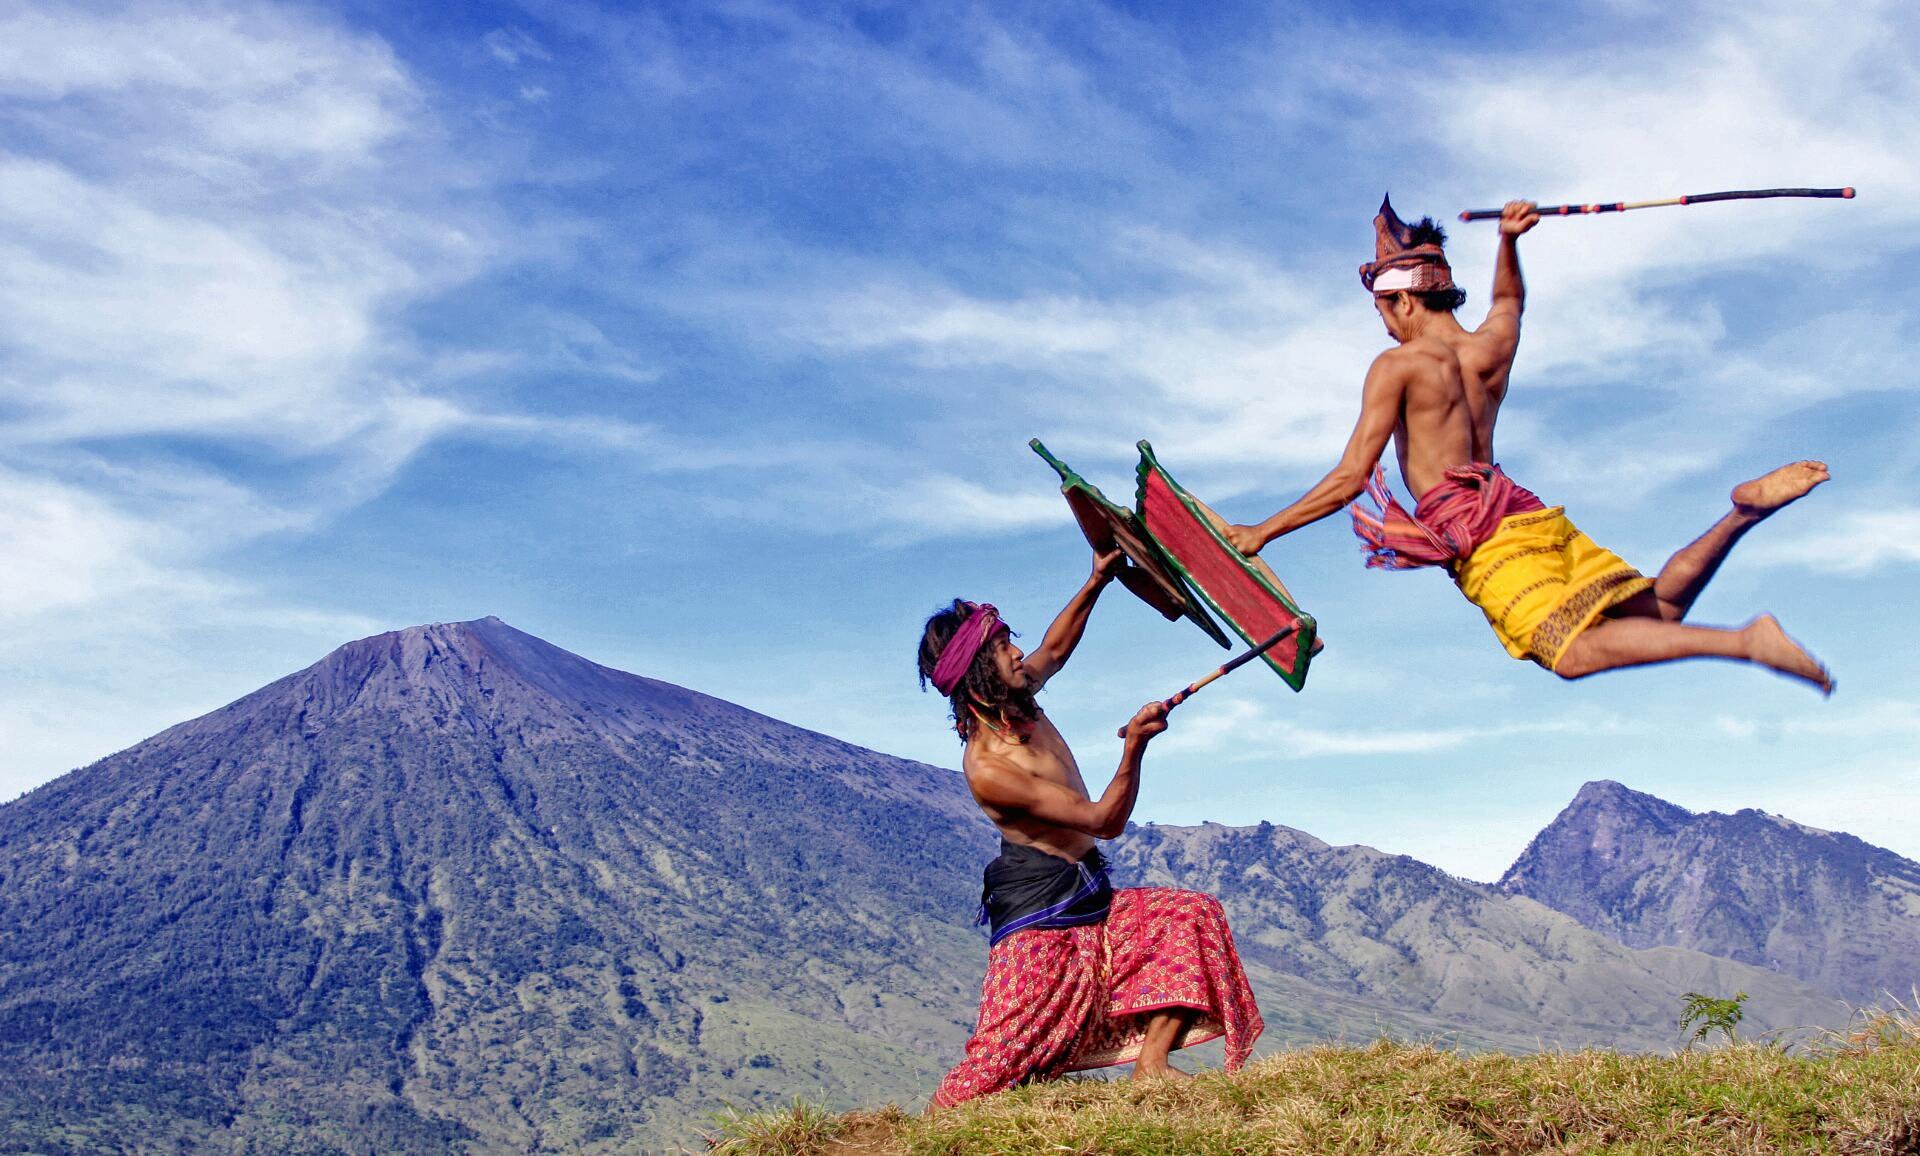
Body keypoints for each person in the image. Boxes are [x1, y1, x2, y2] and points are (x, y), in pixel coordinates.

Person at [1224, 196, 1831, 692]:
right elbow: (1510, 300)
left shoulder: (1399, 365)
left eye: (1384, 311)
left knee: (1567, 654)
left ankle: (1746, 641)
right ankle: (1741, 515)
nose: (1384, 325)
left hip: (1481, 532)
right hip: (1523, 508)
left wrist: (1260, 533)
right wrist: (1508, 240)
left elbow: (1352, 475)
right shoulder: (1490, 347)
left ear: (1403, 298)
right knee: (1657, 616)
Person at [916, 550, 1263, 1109]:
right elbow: (1105, 821)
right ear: (979, 667)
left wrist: (1098, 578)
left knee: (1189, 916)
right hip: (1042, 923)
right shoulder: (990, 769)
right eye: (1003, 646)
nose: (1018, 651)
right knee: (992, 1069)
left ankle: (1152, 1066)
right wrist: (1136, 748)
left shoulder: (1019, 694)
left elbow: (1055, 647)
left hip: (1089, 898)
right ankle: (920, 1137)